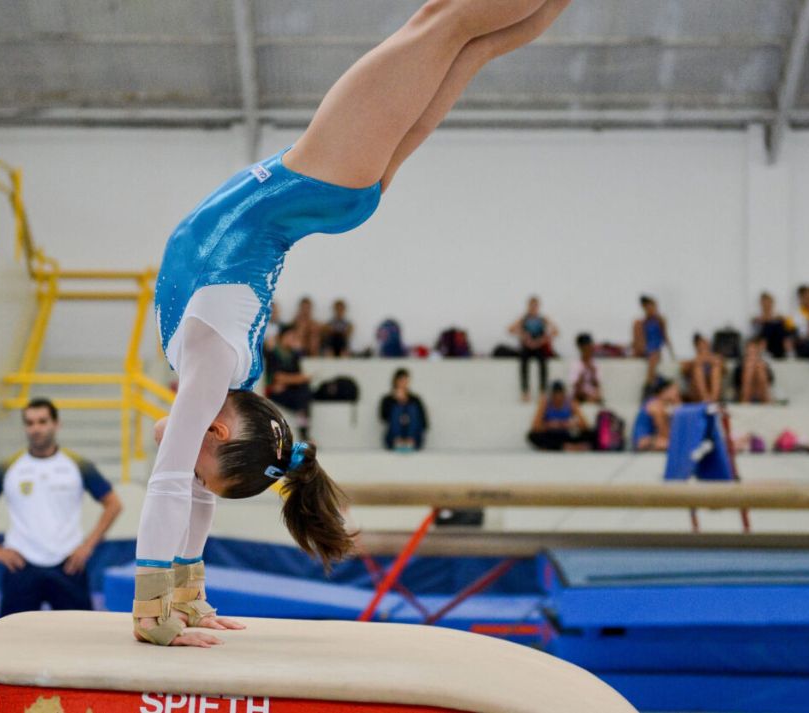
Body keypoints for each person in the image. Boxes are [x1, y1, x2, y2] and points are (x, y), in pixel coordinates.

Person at [138, 0, 573, 648]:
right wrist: (153, 610)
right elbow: (177, 481)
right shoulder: (211, 368)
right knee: (446, 21)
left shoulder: (225, 375)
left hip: (335, 189)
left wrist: (187, 596)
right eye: (206, 467)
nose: (188, 469)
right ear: (219, 429)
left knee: (470, 43)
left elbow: (189, 483)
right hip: (319, 177)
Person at [0, 398, 122, 617]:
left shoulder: (77, 465)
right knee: (13, 635)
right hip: (21, 565)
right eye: (30, 423)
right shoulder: (8, 467)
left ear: (56, 424)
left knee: (78, 633)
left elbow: (113, 504)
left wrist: (87, 547)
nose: (36, 428)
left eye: (42, 421)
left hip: (68, 564)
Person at [265, 325, 313, 440]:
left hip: (290, 390)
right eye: (290, 336)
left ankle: (303, 429)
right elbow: (278, 377)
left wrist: (291, 380)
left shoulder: (294, 355)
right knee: (304, 396)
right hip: (276, 392)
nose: (292, 339)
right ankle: (304, 433)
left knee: (304, 394)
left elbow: (296, 375)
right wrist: (298, 379)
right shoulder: (273, 353)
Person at [508, 296, 558, 402]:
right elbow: (510, 329)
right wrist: (523, 335)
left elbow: (556, 331)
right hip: (527, 347)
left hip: (539, 346)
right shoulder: (524, 319)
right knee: (523, 364)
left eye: (535, 306)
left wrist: (543, 339)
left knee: (543, 364)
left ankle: (542, 391)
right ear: (528, 306)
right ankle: (525, 391)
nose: (533, 308)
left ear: (538, 306)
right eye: (531, 305)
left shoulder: (542, 319)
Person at [526, 381, 592, 451]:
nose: (558, 399)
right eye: (555, 396)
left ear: (564, 395)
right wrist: (549, 425)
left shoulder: (570, 403)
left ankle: (561, 446)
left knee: (589, 434)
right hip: (551, 433)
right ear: (551, 396)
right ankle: (565, 446)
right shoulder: (545, 403)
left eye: (560, 396)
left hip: (565, 433)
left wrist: (571, 424)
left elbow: (585, 426)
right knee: (532, 435)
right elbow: (535, 426)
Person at [379, 368, 428, 451]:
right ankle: (398, 440)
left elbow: (424, 422)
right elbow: (383, 418)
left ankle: (410, 439)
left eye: (405, 381)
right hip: (393, 439)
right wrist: (395, 401)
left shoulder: (415, 400)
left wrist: (406, 401)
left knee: (412, 408)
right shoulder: (388, 399)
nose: (403, 383)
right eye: (401, 380)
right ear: (395, 381)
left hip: (414, 439)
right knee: (397, 408)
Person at [632, 295, 673, 387]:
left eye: (652, 307)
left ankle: (649, 382)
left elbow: (665, 337)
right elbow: (639, 340)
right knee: (651, 356)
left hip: (655, 350)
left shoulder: (660, 321)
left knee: (653, 357)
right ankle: (651, 381)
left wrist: (672, 354)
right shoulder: (641, 323)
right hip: (647, 349)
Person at [632, 378, 681, 451]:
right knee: (672, 444)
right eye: (673, 390)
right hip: (643, 441)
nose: (677, 393)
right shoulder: (654, 405)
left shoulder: (666, 406)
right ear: (664, 391)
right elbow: (665, 434)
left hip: (655, 438)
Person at [681, 333, 724, 403]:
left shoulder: (716, 359)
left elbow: (724, 368)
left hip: (713, 392)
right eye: (701, 344)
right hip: (696, 394)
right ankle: (706, 400)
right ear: (696, 347)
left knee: (716, 368)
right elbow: (683, 369)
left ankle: (713, 400)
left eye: (705, 344)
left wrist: (710, 359)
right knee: (698, 368)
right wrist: (698, 360)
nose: (704, 346)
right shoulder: (691, 361)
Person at [751, 292, 792, 360]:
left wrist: (778, 320)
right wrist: (764, 321)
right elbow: (755, 332)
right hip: (763, 341)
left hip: (777, 341)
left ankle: (788, 350)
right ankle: (763, 350)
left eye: (769, 302)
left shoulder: (778, 316)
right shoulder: (757, 318)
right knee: (768, 326)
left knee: (779, 325)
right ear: (761, 303)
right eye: (765, 302)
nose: (767, 304)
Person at [734, 336, 774, 404]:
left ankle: (767, 402)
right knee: (749, 368)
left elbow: (770, 382)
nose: (752, 354)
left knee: (760, 368)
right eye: (750, 351)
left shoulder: (763, 365)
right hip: (744, 396)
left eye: (754, 352)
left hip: (762, 395)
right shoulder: (740, 366)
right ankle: (745, 402)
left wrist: (758, 366)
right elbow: (737, 383)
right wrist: (749, 367)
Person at [568, 332, 602, 404]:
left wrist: (593, 373)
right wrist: (583, 373)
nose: (588, 350)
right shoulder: (576, 364)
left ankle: (591, 400)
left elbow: (597, 385)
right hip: (579, 395)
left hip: (592, 394)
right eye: (586, 348)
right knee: (578, 393)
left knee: (598, 394)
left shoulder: (595, 364)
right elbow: (575, 386)